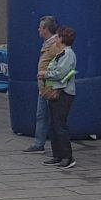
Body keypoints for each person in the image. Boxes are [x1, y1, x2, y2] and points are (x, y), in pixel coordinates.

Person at [24, 16, 65, 152]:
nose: (38, 30)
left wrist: (46, 74)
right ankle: (39, 143)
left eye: (40, 27)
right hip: (44, 86)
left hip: (50, 86)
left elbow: (60, 64)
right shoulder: (48, 43)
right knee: (41, 115)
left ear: (46, 29)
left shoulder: (54, 45)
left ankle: (52, 147)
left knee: (50, 117)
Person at [41, 26, 78, 168]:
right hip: (56, 91)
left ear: (62, 39)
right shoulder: (61, 53)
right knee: (54, 125)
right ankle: (57, 154)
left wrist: (46, 74)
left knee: (60, 124)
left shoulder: (68, 54)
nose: (55, 39)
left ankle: (67, 156)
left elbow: (61, 72)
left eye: (57, 37)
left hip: (63, 92)